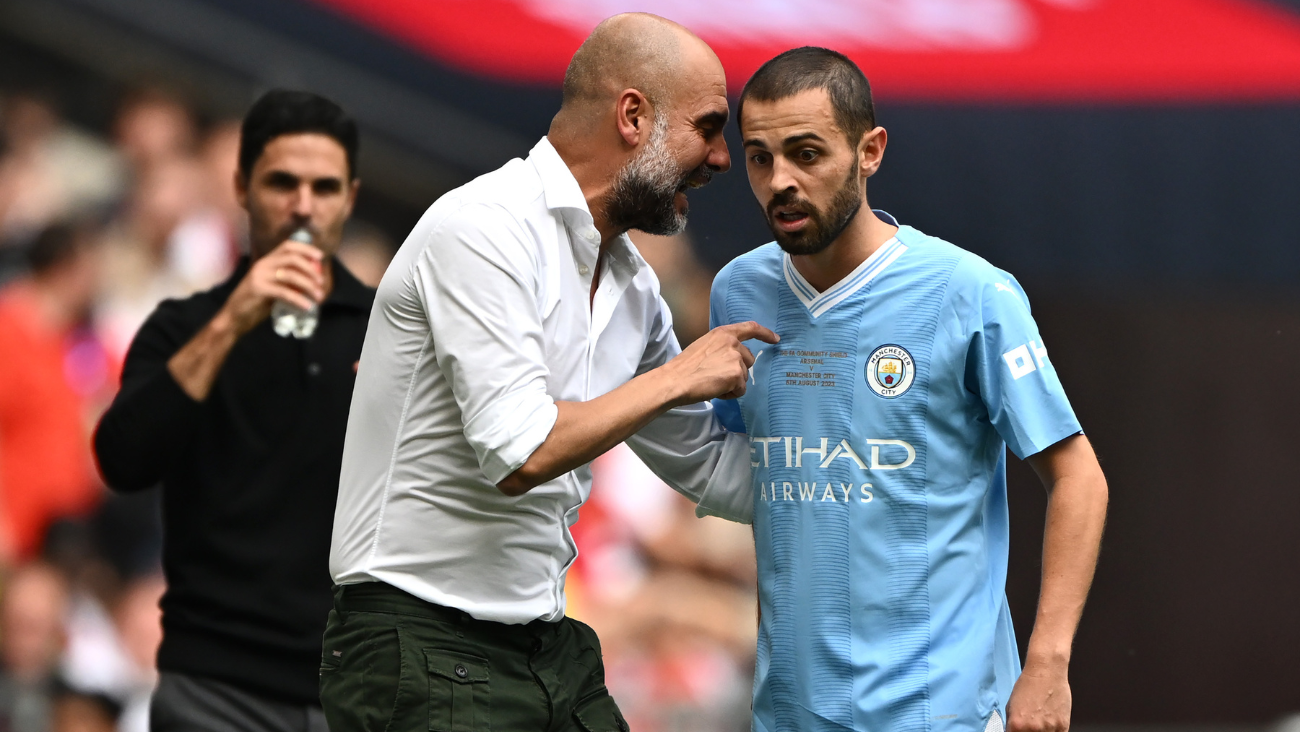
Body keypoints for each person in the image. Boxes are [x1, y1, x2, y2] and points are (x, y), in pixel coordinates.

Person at [324, 13, 776, 732]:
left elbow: (716, 469)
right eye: (709, 126)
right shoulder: (481, 228)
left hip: (544, 643)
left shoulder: (630, 285)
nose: (722, 157)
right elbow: (521, 451)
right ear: (633, 116)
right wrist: (680, 375)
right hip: (418, 641)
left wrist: (867, 473)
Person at [708, 48, 1109, 732]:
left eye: (807, 154)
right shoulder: (738, 293)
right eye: (759, 157)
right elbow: (750, 477)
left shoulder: (969, 292)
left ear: (871, 151)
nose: (780, 181)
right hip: (788, 714)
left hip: (941, 712)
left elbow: (1079, 478)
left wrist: (1048, 662)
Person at [93, 89, 373, 732]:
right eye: (282, 182)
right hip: (212, 686)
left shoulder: (394, 336)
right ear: (242, 188)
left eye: (324, 187)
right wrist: (229, 325)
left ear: (350, 198)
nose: (304, 205)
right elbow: (121, 460)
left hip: (350, 691)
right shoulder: (182, 327)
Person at [0, 223, 104, 562]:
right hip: (17, 529)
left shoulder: (82, 339)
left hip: (69, 534)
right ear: (64, 268)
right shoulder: (9, 331)